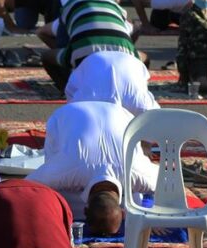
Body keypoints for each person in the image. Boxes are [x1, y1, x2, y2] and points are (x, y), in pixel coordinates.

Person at [28, 100, 155, 236]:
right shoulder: (66, 169)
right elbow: (27, 186)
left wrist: (152, 217)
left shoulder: (138, 174)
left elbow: (25, 186)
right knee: (54, 197)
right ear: (123, 213)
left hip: (121, 115)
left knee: (136, 200)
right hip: (66, 116)